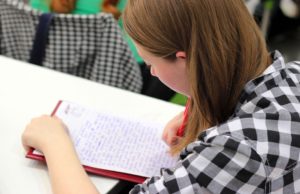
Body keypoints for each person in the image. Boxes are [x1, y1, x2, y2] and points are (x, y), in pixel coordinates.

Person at [22, 0, 300, 193]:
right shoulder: (292, 76)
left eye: (151, 63)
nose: (152, 73)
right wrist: (198, 109)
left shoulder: (235, 149)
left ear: (185, 59)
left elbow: (240, 147)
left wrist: (56, 143)